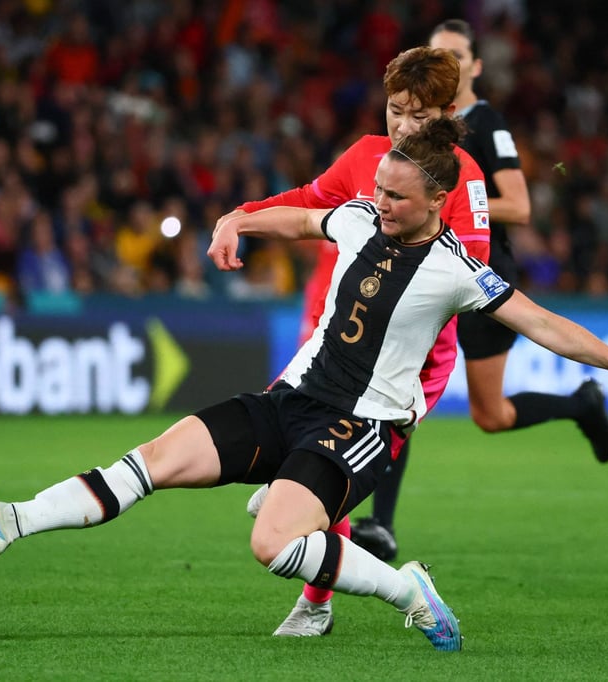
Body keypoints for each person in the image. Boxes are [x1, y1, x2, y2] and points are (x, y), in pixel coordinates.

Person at [0, 120, 608, 651]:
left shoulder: (456, 271)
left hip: (362, 428)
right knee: (154, 459)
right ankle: (9, 520)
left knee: (271, 541)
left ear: (439, 199)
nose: (380, 202)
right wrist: (237, 220)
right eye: (379, 189)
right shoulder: (357, 218)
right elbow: (301, 218)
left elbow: (540, 322)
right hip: (289, 402)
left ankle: (406, 588)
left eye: (398, 198)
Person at [218, 46, 491, 636]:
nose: (404, 126)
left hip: (410, 361)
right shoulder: (366, 155)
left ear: (446, 113)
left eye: (420, 117)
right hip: (335, 343)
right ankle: (314, 595)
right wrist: (241, 216)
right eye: (396, 111)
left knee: (327, 469)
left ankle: (315, 600)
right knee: (306, 451)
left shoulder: (462, 178)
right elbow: (310, 204)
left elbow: (467, 279)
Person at [342, 18, 608, 565]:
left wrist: (455, 202)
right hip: (425, 271)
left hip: (478, 270)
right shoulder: (411, 127)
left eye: (458, 55)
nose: (449, 61)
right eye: (438, 52)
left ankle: (580, 404)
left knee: (489, 415)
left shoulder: (484, 123)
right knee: (399, 382)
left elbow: (519, 205)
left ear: (474, 66)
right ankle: (382, 525)